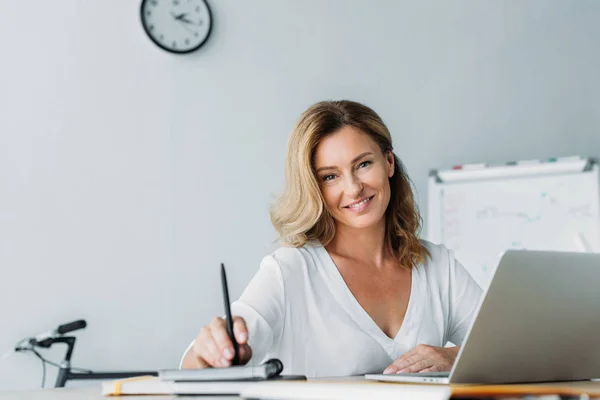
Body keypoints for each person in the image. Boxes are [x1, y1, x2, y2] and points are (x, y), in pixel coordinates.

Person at [181, 100, 482, 377]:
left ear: (388, 162)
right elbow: (201, 362)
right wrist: (208, 353)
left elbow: (518, 347)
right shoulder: (291, 270)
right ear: (315, 188)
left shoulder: (439, 266)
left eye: (363, 164)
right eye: (330, 176)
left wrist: (456, 356)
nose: (353, 189)